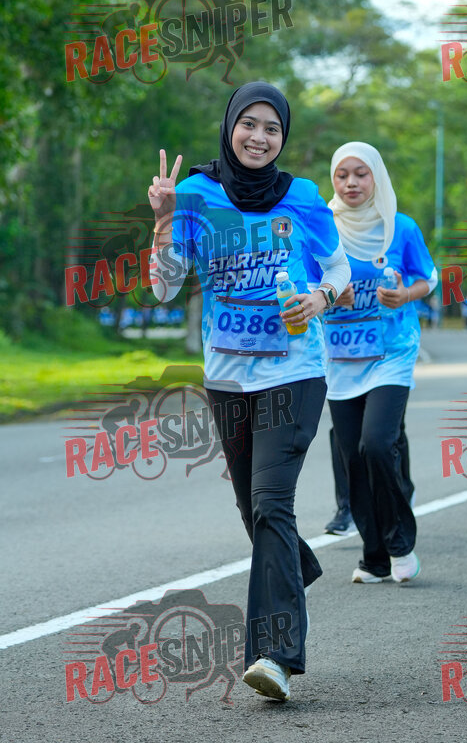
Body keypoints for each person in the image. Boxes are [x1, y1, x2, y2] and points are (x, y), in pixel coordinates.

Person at [148, 82, 350, 700]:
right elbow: (163, 287)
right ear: (230, 126)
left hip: (295, 372)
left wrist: (320, 298)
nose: (259, 137)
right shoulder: (195, 195)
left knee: (270, 503)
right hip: (227, 379)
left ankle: (276, 658)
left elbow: (339, 269)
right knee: (254, 511)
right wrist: (162, 220)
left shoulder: (304, 197)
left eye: (272, 128)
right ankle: (294, 566)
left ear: (282, 137)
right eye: (249, 124)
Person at [306, 142, 437, 584]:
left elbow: (427, 278)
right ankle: (375, 558)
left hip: (391, 353)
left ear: (376, 177)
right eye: (342, 175)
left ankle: (401, 545)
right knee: (353, 460)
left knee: (378, 444)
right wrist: (328, 295)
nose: (351, 183)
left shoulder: (400, 226)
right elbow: (305, 286)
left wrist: (405, 295)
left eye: (360, 174)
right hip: (340, 359)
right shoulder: (321, 228)